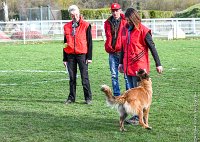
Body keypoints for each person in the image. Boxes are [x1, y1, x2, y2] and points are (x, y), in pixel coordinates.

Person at [118, 8, 163, 124]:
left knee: (139, 95)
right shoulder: (125, 30)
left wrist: (158, 64)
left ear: (134, 18)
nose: (127, 23)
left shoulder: (144, 31)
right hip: (128, 67)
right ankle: (138, 116)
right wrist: (120, 63)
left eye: (129, 20)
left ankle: (139, 118)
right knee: (133, 94)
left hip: (139, 69)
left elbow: (153, 48)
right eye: (126, 20)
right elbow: (123, 47)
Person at [63, 5, 93, 105]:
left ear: (79, 14)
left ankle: (88, 98)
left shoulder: (86, 25)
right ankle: (71, 98)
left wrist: (89, 57)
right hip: (70, 55)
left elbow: (90, 42)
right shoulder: (67, 26)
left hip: (82, 55)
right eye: (72, 15)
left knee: (84, 77)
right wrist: (64, 58)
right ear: (70, 16)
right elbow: (65, 42)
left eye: (76, 14)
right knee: (72, 78)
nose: (74, 17)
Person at [104, 3, 129, 96]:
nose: (115, 12)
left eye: (116, 10)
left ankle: (128, 94)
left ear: (120, 10)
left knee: (126, 76)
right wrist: (108, 46)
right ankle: (117, 94)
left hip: (123, 52)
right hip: (112, 52)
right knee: (114, 75)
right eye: (113, 11)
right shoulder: (107, 22)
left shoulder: (125, 20)